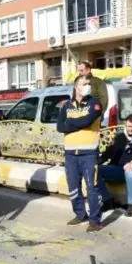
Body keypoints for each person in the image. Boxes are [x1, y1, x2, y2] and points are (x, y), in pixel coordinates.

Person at [57, 75, 103, 232]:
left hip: (89, 153)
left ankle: (95, 221)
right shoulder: (66, 106)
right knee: (73, 187)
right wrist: (76, 124)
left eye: (89, 83)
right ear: (77, 87)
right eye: (85, 84)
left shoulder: (94, 103)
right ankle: (80, 214)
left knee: (92, 187)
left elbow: (88, 121)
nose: (88, 86)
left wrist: (70, 123)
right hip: (70, 154)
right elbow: (59, 126)